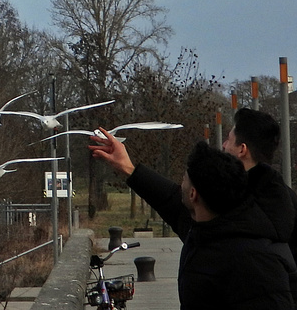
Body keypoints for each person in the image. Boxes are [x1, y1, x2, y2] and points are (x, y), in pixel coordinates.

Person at [90, 131, 295, 309]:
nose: (180, 185)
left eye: (184, 180)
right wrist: (128, 168)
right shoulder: (208, 228)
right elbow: (169, 199)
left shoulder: (254, 261)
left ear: (193, 194)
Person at [225, 107, 297, 301]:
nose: (223, 145)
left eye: (228, 140)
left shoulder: (237, 203)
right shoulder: (286, 199)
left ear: (242, 149)